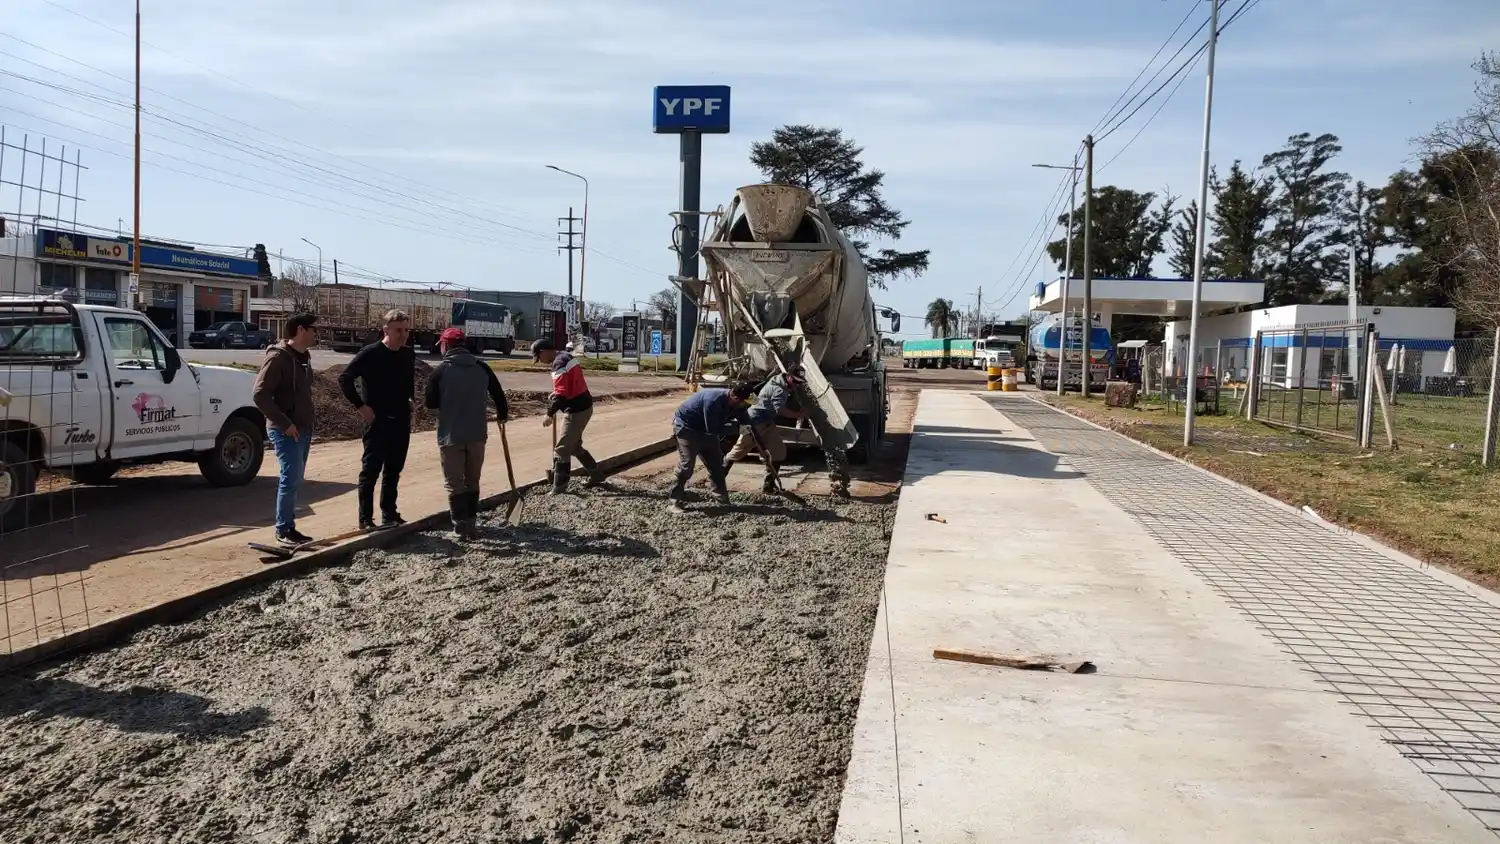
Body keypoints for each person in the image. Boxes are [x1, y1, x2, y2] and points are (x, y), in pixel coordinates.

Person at [425, 327, 509, 539]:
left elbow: (430, 403)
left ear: (445, 345)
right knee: (473, 480)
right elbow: (499, 395)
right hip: (477, 434)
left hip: (450, 435)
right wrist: (502, 415)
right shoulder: (482, 367)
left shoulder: (440, 370)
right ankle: (471, 524)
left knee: (454, 483)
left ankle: (460, 527)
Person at [339, 310, 417, 531]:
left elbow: (408, 379)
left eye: (406, 330)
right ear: (386, 330)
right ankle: (365, 519)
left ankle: (389, 513)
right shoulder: (371, 353)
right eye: (398, 330)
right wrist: (361, 407)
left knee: (393, 469)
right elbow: (345, 379)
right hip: (377, 421)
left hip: (401, 420)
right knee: (371, 470)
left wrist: (411, 398)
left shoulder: (407, 354)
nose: (403, 335)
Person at [252, 312, 319, 547]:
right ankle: (283, 530)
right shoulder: (278, 358)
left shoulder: (305, 357)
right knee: (290, 478)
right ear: (300, 330)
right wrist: (285, 423)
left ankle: (291, 527)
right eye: (312, 329)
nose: (315, 333)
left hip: (303, 428)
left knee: (297, 479)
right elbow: (259, 395)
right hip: (285, 430)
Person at [668, 383, 756, 508]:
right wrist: (737, 429)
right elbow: (713, 429)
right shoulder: (713, 401)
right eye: (745, 402)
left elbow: (745, 419)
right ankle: (674, 501)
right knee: (686, 466)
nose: (746, 405)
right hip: (687, 428)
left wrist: (751, 428)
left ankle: (722, 501)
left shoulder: (737, 404)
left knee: (716, 466)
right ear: (736, 398)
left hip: (706, 430)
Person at [725, 365, 807, 493]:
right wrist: (800, 414)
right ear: (789, 376)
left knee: (778, 452)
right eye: (796, 381)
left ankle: (768, 486)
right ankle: (718, 478)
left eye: (799, 382)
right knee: (739, 450)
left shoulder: (779, 380)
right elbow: (781, 411)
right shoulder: (779, 389)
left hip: (767, 422)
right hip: (753, 422)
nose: (797, 385)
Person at [542, 339, 601, 494]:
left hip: (576, 410)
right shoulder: (566, 357)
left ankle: (559, 488)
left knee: (562, 449)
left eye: (539, 357)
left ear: (544, 351)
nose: (540, 362)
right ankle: (596, 474)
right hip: (584, 405)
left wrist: (550, 413)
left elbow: (562, 394)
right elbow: (570, 384)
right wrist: (556, 394)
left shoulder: (558, 363)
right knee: (573, 446)